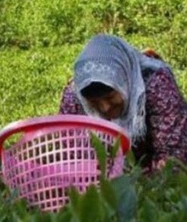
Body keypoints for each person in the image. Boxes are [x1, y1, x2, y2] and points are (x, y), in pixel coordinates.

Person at [59, 34, 187, 171]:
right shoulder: (74, 97)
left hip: (150, 173)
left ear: (124, 82)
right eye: (94, 103)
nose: (105, 107)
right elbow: (71, 155)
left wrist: (144, 185)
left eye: (110, 97)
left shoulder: (155, 85)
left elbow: (173, 153)